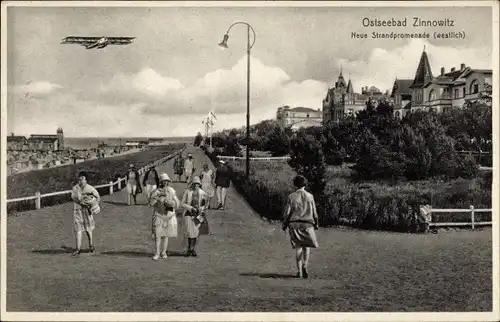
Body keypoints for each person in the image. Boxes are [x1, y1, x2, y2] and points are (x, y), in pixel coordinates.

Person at [282, 175, 319, 279]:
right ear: (305, 184)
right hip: (307, 224)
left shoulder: (291, 196)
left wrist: (285, 224)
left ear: (295, 184)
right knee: (306, 247)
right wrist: (316, 224)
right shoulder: (310, 196)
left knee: (298, 248)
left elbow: (287, 213)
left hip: (294, 224)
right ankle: (305, 266)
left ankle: (299, 271)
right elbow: (315, 213)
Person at [148, 173, 180, 260]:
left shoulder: (171, 190)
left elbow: (177, 203)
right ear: (161, 182)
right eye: (163, 181)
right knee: (158, 235)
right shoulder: (156, 191)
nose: (165, 183)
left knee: (166, 235)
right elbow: (151, 203)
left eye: (167, 181)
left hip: (168, 215)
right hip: (159, 215)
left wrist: (172, 203)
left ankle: (164, 252)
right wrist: (158, 200)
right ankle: (157, 253)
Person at [70, 171, 101, 256]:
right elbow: (73, 197)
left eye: (83, 178)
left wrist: (92, 203)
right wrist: (80, 202)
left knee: (88, 228)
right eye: (80, 178)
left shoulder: (90, 188)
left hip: (87, 211)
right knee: (78, 229)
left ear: (86, 180)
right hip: (77, 211)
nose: (81, 180)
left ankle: (91, 245)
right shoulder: (75, 188)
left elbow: (97, 197)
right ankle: (78, 249)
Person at [181, 176, 208, 257]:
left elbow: (204, 205)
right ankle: (189, 249)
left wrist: (201, 209)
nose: (196, 186)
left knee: (195, 232)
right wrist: (191, 208)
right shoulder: (187, 192)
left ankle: (193, 249)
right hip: (189, 214)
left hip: (198, 215)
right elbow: (182, 203)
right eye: (194, 184)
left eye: (197, 184)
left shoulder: (202, 193)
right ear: (192, 184)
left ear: (199, 185)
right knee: (189, 232)